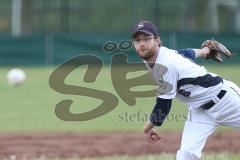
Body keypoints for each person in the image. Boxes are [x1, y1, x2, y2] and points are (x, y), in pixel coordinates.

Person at [131, 21, 240, 160]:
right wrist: (204, 51)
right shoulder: (153, 56)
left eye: (146, 39)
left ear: (157, 40)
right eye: (137, 40)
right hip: (200, 111)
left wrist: (147, 128)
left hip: (226, 101)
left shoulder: (165, 64)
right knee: (186, 154)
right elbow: (184, 54)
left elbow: (163, 105)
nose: (141, 44)